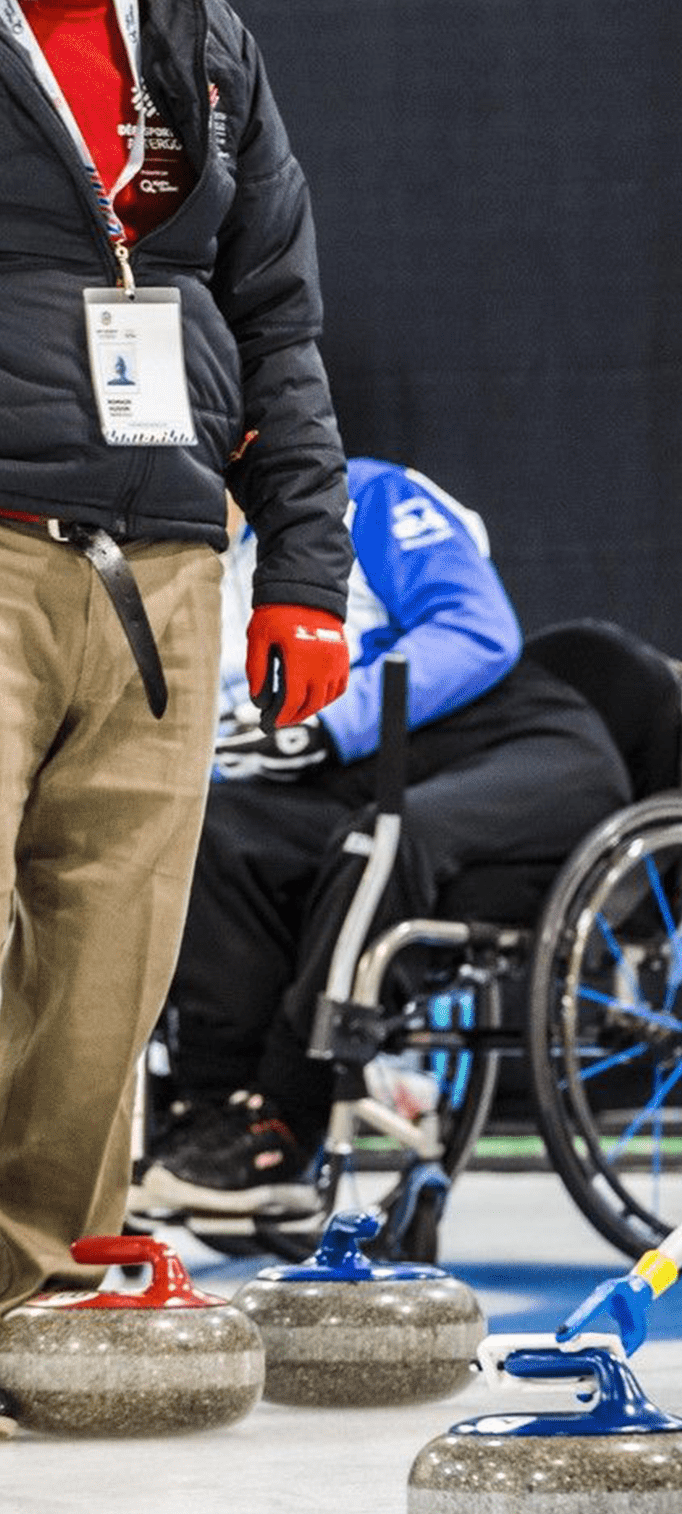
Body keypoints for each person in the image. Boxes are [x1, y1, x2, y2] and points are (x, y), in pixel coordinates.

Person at [1, 0, 351, 1318]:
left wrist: (306, 572)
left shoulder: (201, 40)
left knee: (112, 958)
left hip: (169, 552)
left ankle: (38, 1290)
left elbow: (278, 317)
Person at [136, 459, 632, 1213]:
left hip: (518, 744)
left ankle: (290, 1113)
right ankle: (228, 1110)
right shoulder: (173, 563)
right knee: (212, 834)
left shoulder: (367, 496)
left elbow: (476, 629)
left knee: (388, 840)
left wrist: (327, 722)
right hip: (352, 775)